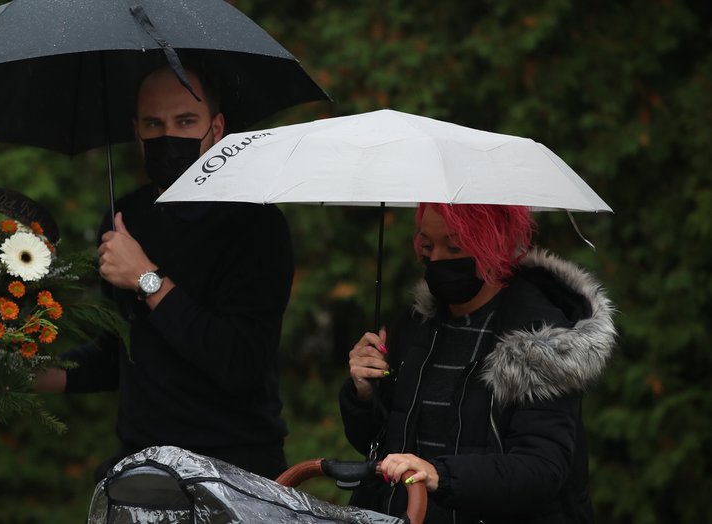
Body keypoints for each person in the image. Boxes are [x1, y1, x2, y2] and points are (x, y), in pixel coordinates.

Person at [38, 64, 294, 481]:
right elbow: (120, 353)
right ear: (136, 131)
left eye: (185, 122)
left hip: (234, 471)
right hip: (142, 471)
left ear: (217, 127)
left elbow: (239, 362)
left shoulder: (256, 225)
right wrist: (24, 372)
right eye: (153, 124)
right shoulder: (125, 220)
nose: (167, 137)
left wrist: (146, 279)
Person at [340, 203, 616, 523]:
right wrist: (364, 393)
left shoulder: (539, 338)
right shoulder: (417, 325)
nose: (438, 258)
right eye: (427, 245)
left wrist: (440, 476)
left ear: (493, 243)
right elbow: (380, 445)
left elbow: (541, 469)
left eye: (454, 246)